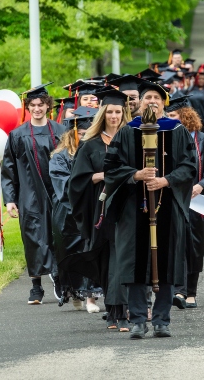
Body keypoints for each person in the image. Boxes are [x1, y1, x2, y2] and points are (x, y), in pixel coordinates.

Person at [103, 80, 197, 339]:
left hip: (168, 205)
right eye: (147, 98)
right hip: (133, 209)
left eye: (157, 97)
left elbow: (190, 166)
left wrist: (166, 180)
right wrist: (136, 174)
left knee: (166, 262)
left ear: (163, 103)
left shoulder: (177, 131)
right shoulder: (126, 132)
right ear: (139, 103)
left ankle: (162, 320)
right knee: (134, 264)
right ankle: (137, 321)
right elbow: (111, 167)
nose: (152, 101)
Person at [61, 89, 134, 330]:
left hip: (128, 207)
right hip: (101, 209)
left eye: (118, 111)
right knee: (108, 260)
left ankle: (121, 312)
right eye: (110, 111)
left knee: (122, 259)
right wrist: (103, 176)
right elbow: (77, 181)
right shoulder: (90, 146)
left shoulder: (132, 140)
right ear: (102, 113)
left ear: (124, 113)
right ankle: (115, 312)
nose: (114, 116)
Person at [2, 84, 69, 305]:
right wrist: (10, 198)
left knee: (59, 237)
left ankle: (60, 278)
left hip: (57, 193)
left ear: (48, 106)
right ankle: (36, 287)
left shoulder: (60, 132)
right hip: (29, 194)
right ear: (28, 107)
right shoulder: (17, 135)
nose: (37, 108)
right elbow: (9, 169)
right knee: (33, 238)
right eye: (33, 105)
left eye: (41, 104)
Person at [164, 98, 204, 309]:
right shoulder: (166, 139)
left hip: (198, 199)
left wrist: (202, 185)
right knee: (176, 244)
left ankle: (191, 292)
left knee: (196, 247)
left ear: (185, 116)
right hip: (175, 198)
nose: (170, 120)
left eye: (173, 116)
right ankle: (179, 290)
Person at [49, 106, 99, 311]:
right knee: (70, 252)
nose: (85, 135)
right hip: (67, 212)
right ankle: (74, 291)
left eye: (89, 132)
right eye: (81, 133)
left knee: (91, 251)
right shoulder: (60, 157)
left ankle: (91, 295)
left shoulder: (96, 152)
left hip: (92, 209)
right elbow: (63, 185)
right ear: (72, 132)